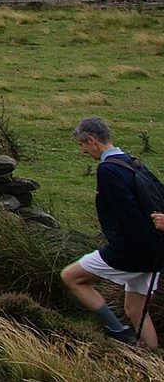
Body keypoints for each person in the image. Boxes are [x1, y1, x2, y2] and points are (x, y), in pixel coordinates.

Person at [61, 117, 162, 347]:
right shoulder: (133, 162)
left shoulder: (107, 170)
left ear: (92, 140)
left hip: (131, 252)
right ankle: (155, 363)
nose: (83, 150)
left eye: (82, 145)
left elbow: (127, 215)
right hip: (155, 251)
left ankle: (117, 330)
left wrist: (125, 249)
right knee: (136, 309)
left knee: (71, 276)